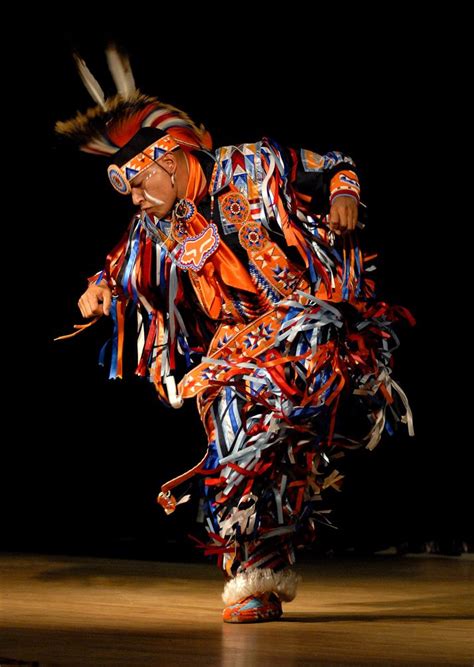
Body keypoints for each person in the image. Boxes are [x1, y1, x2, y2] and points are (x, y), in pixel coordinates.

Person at [55, 47, 415, 624]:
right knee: (234, 459)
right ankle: (256, 582)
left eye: (139, 180)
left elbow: (335, 163)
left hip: (305, 318)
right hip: (234, 352)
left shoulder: (255, 163)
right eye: (124, 187)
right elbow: (120, 263)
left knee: (307, 388)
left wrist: (345, 191)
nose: (135, 196)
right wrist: (101, 290)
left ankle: (331, 425)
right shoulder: (156, 221)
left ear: (170, 160)